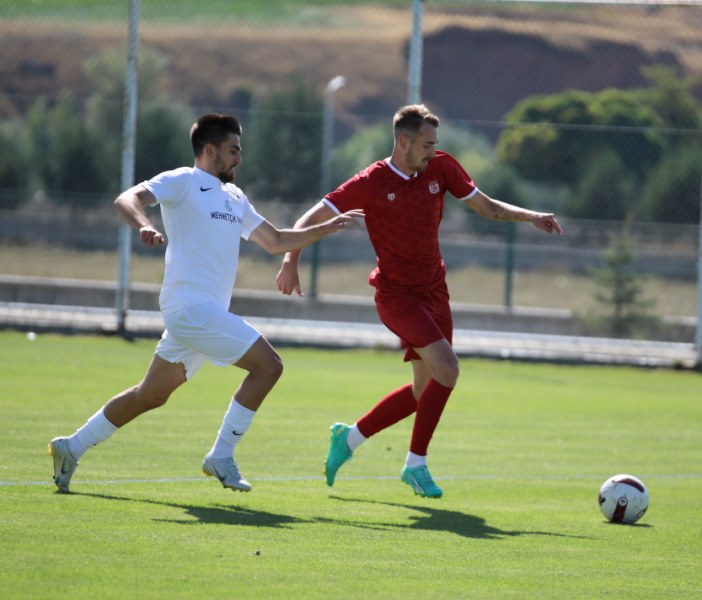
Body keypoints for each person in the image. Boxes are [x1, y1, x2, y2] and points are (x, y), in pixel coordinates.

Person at [49, 113, 363, 494]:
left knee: (150, 395)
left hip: (201, 317)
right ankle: (221, 455)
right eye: (233, 151)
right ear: (209, 150)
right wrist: (144, 225)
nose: (239, 159)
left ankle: (71, 447)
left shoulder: (234, 197)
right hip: (189, 309)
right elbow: (127, 198)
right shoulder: (183, 180)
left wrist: (325, 228)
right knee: (269, 366)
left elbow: (277, 240)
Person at [276, 104, 562, 498]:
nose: (433, 152)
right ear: (404, 142)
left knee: (422, 392)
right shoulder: (371, 181)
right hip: (396, 296)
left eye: (435, 145)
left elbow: (488, 207)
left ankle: (349, 439)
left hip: (435, 291)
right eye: (426, 145)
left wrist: (531, 216)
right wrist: (291, 259)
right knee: (449, 368)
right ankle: (416, 464)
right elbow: (308, 218)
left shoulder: (441, 168)